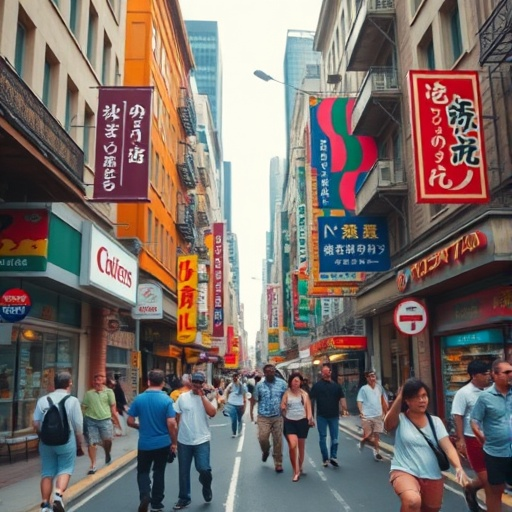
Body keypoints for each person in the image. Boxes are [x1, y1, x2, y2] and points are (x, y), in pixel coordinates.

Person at [384, 378, 468, 512]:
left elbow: (447, 447)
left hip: (432, 475)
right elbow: (387, 425)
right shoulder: (400, 419)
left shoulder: (436, 422)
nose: (422, 400)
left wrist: (458, 468)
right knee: (412, 501)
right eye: (416, 397)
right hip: (404, 470)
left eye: (424, 396)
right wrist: (400, 396)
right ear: (407, 400)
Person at [127, 369, 178, 512]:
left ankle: (145, 495)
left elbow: (130, 421)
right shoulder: (167, 400)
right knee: (159, 472)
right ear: (163, 383)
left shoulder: (139, 399)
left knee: (143, 472)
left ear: (148, 382)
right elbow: (171, 423)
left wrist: (139, 426)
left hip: (144, 443)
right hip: (163, 443)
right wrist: (174, 442)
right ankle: (157, 503)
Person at [33, 371, 84, 512]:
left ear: (54, 384)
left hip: (46, 441)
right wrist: (80, 442)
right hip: (66, 440)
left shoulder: (42, 400)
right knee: (65, 468)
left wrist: (42, 436)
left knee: (47, 472)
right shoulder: (72, 401)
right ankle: (58, 496)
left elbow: (36, 424)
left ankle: (44, 505)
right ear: (69, 384)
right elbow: (78, 425)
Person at [471, 359, 512, 512]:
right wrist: (480, 436)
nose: (510, 375)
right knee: (496, 491)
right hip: (495, 452)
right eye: (506, 372)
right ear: (494, 374)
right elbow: (474, 421)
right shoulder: (485, 397)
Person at [172, 372, 217, 511]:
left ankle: (206, 485)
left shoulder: (209, 397)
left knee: (203, 468)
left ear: (203, 383)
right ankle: (184, 498)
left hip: (202, 440)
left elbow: (212, 413)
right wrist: (173, 441)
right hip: (184, 440)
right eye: (195, 382)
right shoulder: (182, 398)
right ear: (191, 382)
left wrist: (202, 396)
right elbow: (176, 418)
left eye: (200, 382)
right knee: (183, 471)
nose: (197, 384)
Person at [451, 359, 491, 512]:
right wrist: (460, 439)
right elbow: (458, 416)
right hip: (472, 439)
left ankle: (470, 487)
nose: (488, 377)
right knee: (488, 479)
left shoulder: (492, 390)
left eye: (489, 373)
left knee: (493, 477)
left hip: (492, 439)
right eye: (484, 374)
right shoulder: (464, 393)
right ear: (474, 375)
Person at [309, 365, 348, 468]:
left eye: (327, 372)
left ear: (330, 373)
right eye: (323, 372)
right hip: (321, 416)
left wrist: (345, 409)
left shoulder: (336, 386)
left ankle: (333, 457)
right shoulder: (317, 386)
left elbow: (342, 398)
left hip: (334, 416)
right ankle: (325, 458)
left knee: (335, 438)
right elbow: (311, 399)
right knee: (323, 437)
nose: (325, 374)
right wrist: (310, 415)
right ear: (321, 373)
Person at [82, 372, 120, 474]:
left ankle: (107, 453)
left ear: (103, 382)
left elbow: (113, 408)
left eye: (100, 381)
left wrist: (117, 423)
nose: (97, 383)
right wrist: (83, 419)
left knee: (107, 440)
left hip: (105, 420)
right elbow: (84, 407)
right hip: (91, 420)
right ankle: (93, 465)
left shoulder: (109, 392)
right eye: (96, 381)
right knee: (91, 442)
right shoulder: (89, 394)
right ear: (93, 382)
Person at [252, 363, 288, 472]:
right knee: (262, 438)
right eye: (267, 371)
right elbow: (255, 398)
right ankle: (266, 451)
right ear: (264, 373)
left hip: (277, 416)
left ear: (274, 371)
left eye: (272, 370)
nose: (270, 373)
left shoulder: (282, 384)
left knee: (278, 440)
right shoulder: (259, 385)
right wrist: (251, 414)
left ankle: (278, 462)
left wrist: (286, 411)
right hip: (263, 417)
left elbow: (286, 398)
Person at [280, 372, 314, 482]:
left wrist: (309, 418)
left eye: (297, 381)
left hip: (302, 422)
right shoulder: (286, 394)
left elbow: (308, 408)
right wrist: (283, 407)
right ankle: (296, 471)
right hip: (290, 422)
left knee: (301, 447)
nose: (295, 383)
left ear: (300, 383)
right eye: (294, 381)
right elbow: (282, 406)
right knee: (292, 446)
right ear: (290, 382)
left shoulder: (304, 394)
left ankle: (299, 465)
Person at [356, 369, 388, 461]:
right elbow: (359, 401)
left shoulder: (379, 388)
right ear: (367, 378)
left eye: (373, 376)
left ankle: (376, 452)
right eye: (370, 376)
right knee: (369, 436)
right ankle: (363, 441)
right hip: (367, 415)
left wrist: (385, 412)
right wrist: (361, 411)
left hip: (378, 414)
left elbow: (383, 400)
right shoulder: (363, 389)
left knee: (377, 435)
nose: (372, 378)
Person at [224, 372, 247, 437]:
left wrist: (244, 402)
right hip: (231, 404)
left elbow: (244, 393)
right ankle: (234, 433)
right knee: (233, 418)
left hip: (240, 404)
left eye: (236, 376)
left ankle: (239, 431)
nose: (235, 378)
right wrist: (226, 400)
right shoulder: (230, 385)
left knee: (239, 418)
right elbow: (226, 392)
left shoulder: (241, 385)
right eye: (234, 376)